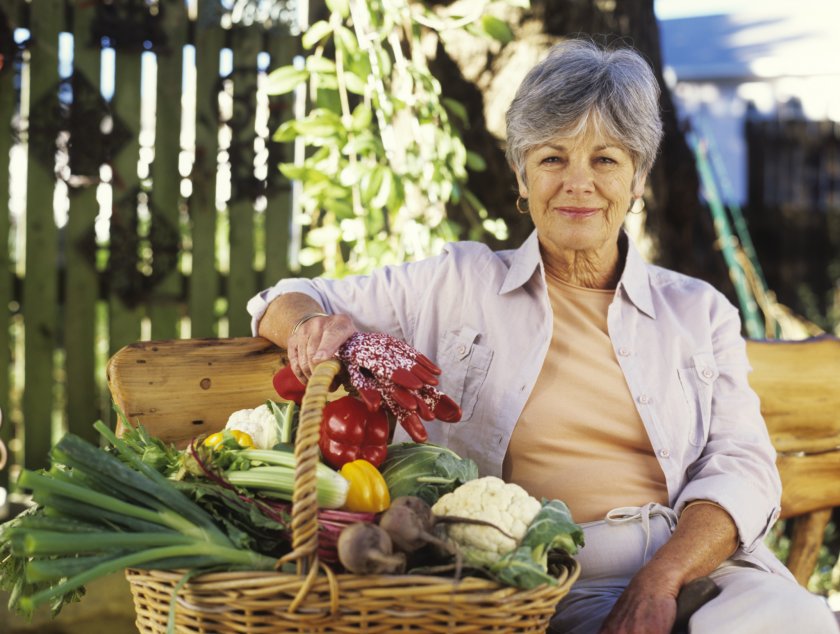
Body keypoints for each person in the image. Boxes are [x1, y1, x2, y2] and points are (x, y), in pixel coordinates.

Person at [248, 39, 838, 633]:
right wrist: (309, 327)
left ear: (639, 178)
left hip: (700, 565)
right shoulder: (456, 282)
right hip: (546, 579)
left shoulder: (698, 311)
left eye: (605, 160)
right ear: (521, 174)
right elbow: (285, 297)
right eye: (553, 158)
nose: (577, 183)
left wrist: (659, 581)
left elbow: (743, 466)